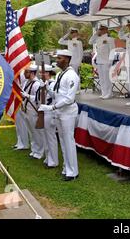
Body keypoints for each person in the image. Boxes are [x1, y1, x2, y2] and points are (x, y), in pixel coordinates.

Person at [38, 50, 80, 181]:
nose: (57, 60)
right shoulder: (60, 75)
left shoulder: (72, 76)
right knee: (62, 141)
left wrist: (51, 107)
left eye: (59, 58)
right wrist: (47, 87)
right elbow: (57, 94)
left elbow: (69, 98)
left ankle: (73, 172)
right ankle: (66, 168)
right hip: (59, 112)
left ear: (67, 60)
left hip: (67, 112)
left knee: (68, 141)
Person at [21, 64, 45, 159]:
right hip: (27, 110)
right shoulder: (26, 82)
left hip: (34, 111)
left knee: (37, 132)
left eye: (26, 72)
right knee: (31, 131)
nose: (24, 73)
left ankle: (39, 152)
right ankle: (34, 150)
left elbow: (38, 98)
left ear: (32, 73)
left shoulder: (37, 84)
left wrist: (27, 96)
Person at [37, 64, 58, 168]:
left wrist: (46, 87)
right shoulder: (42, 83)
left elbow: (54, 98)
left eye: (43, 72)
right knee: (45, 136)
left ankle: (53, 161)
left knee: (50, 137)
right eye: (40, 72)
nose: (41, 74)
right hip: (43, 111)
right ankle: (48, 157)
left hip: (50, 112)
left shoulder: (53, 84)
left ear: (48, 73)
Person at [88, 24, 116, 99]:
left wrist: (110, 62)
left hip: (107, 62)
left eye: (102, 29)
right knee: (102, 78)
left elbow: (112, 51)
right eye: (100, 29)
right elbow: (90, 42)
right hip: (100, 61)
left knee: (107, 79)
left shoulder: (110, 39)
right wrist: (96, 33)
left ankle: (109, 93)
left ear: (106, 30)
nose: (101, 30)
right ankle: (104, 92)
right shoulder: (98, 39)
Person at [13, 70, 30, 150]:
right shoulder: (17, 70)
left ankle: (24, 143)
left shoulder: (21, 71)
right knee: (18, 123)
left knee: (22, 123)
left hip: (22, 100)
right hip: (17, 99)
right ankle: (20, 142)